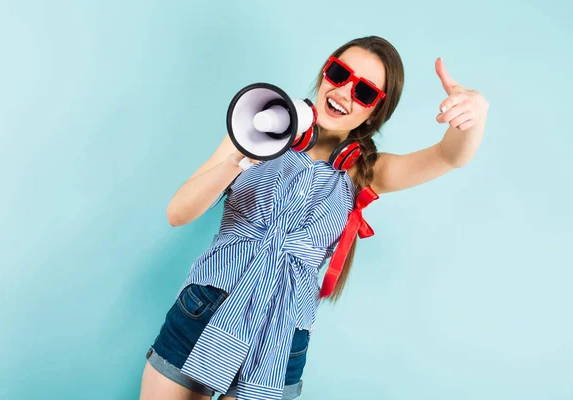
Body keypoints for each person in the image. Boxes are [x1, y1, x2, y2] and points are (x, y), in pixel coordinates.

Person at [138, 35, 489, 400]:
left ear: (374, 112)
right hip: (208, 309)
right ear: (325, 73)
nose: (344, 91)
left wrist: (474, 114)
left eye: (365, 92)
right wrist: (239, 160)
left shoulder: (366, 171)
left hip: (281, 338)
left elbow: (449, 157)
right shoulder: (255, 127)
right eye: (339, 73)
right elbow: (177, 213)